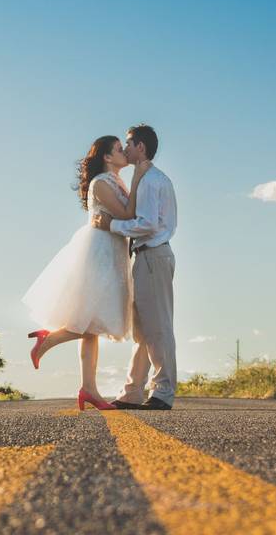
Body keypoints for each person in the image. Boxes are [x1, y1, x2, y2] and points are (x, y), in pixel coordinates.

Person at [23, 135, 150, 411]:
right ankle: (50, 338)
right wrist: (139, 177)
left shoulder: (116, 181)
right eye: (118, 149)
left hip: (113, 251)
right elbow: (128, 215)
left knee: (92, 325)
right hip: (99, 253)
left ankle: (88, 389)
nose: (123, 153)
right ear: (106, 157)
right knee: (90, 320)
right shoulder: (101, 183)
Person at [92, 124, 178, 410]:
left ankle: (163, 393)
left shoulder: (152, 180)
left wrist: (111, 225)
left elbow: (147, 224)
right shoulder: (144, 179)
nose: (125, 149)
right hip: (144, 258)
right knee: (143, 331)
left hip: (153, 255)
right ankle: (132, 393)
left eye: (128, 144)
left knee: (158, 328)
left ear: (140, 147)